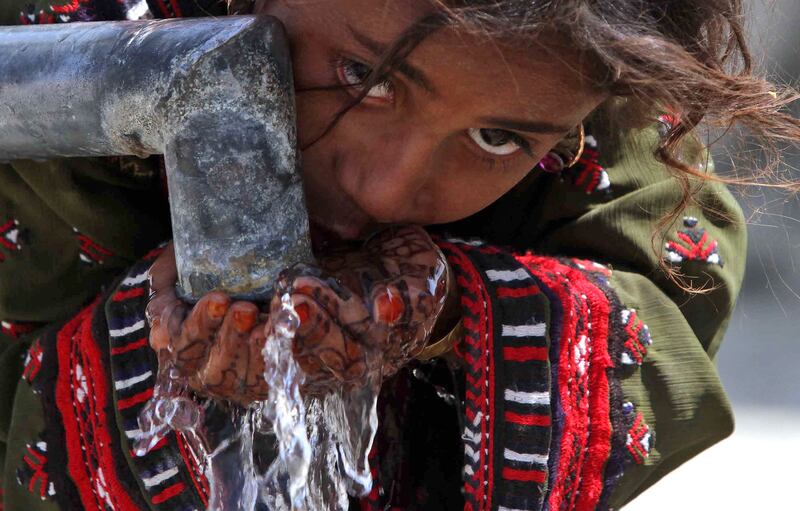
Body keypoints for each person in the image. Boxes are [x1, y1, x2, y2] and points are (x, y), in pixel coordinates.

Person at [0, 0, 793, 509]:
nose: (386, 188)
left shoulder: (588, 50)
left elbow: (665, 296)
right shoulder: (54, 49)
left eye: (497, 137)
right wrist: (144, 352)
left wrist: (451, 308)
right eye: (363, 76)